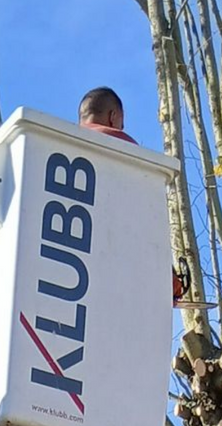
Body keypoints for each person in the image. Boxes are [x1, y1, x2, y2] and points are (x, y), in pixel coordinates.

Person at [79, 86, 189, 306]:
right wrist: (167, 279)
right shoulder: (126, 153)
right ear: (113, 117)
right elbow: (143, 226)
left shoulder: (61, 149)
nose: (122, 128)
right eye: (121, 123)